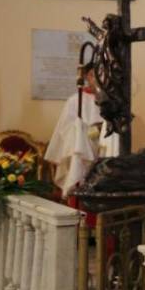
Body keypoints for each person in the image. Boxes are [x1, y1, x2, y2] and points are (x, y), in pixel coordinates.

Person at [44, 63, 120, 197]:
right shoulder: (75, 100)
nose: (97, 78)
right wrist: (89, 131)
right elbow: (66, 129)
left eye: (101, 73)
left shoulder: (111, 100)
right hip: (82, 150)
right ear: (86, 77)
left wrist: (103, 128)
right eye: (92, 74)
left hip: (105, 149)